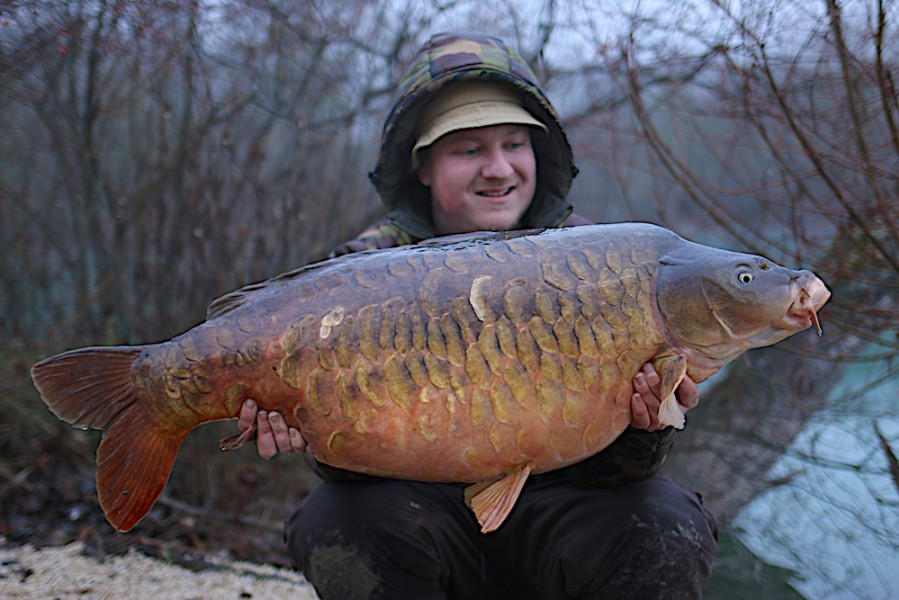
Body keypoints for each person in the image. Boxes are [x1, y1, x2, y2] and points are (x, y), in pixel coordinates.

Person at [237, 32, 718, 599]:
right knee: (340, 517)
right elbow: (353, 474)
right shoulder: (362, 273)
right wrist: (311, 430)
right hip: (422, 507)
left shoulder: (602, 263)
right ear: (423, 166)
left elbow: (622, 477)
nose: (498, 169)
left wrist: (648, 427)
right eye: (469, 150)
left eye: (515, 144)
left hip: (562, 507)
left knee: (663, 517)